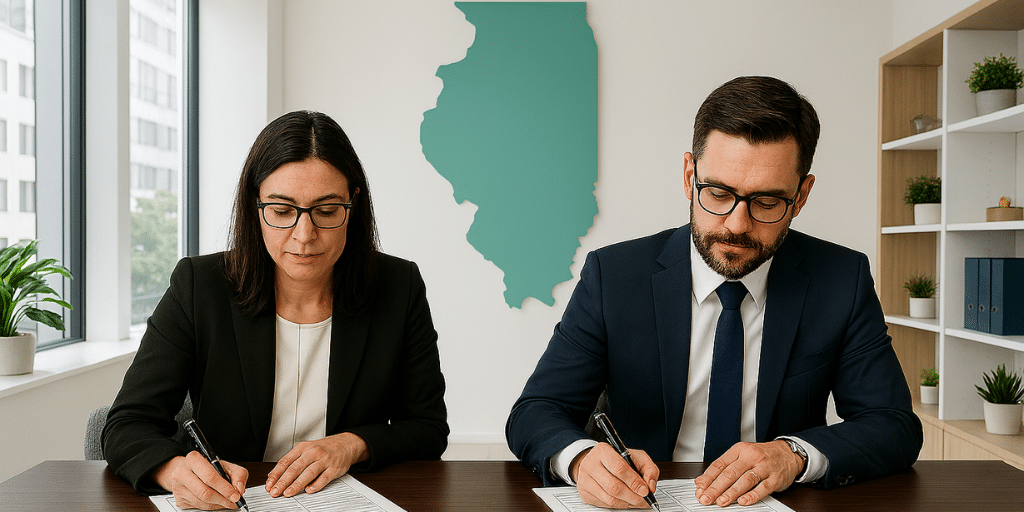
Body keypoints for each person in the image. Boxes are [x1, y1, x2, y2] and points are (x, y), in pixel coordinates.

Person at [506, 76, 922, 509]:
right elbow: (536, 410)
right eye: (719, 193)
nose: (737, 225)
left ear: (801, 197)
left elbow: (893, 425)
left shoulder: (841, 279)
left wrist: (792, 454)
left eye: (766, 202)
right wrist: (581, 459)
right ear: (690, 176)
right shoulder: (614, 276)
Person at [103, 110, 449, 510]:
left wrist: (352, 446)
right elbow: (126, 424)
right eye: (282, 211)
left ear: (353, 204)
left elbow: (427, 429)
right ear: (255, 206)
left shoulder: (398, 287)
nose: (304, 236)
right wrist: (173, 470)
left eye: (327, 211)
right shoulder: (201, 285)